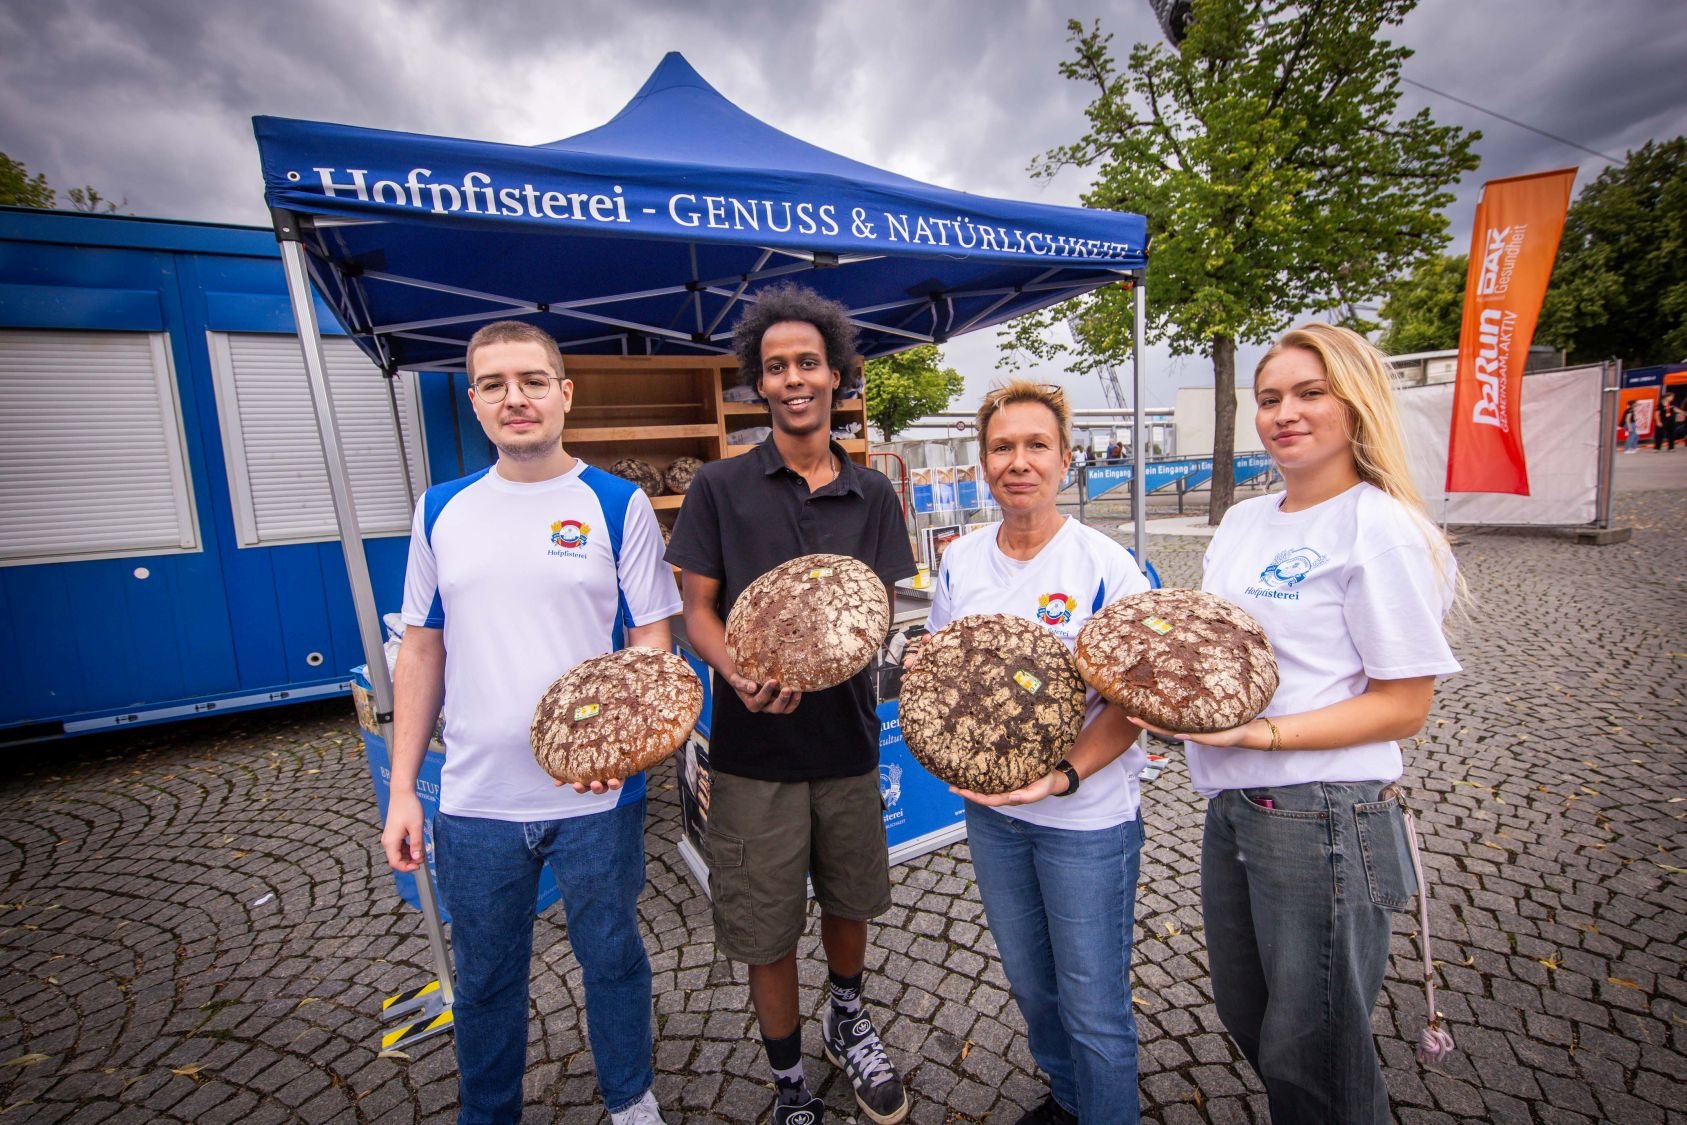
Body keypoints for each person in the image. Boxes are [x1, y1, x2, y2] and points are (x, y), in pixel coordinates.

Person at [1134, 323, 1461, 1123]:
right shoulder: (1246, 520)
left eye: (1309, 393)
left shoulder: (1374, 527)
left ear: (1353, 403)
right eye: (1270, 396)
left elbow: (1403, 704)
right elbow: (1220, 654)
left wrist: (1262, 734)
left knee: (1314, 1054)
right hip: (1232, 807)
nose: (1284, 412)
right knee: (1252, 1019)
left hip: (1325, 811)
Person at [381, 321, 678, 1125]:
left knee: (612, 956)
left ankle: (629, 1097)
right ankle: (489, 1110)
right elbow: (420, 651)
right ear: (474, 401)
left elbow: (651, 641)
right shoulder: (441, 509)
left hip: (596, 796)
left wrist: (629, 746)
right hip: (475, 799)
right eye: (494, 384)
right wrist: (403, 788)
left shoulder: (616, 504)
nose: (515, 398)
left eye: (532, 380)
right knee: (483, 975)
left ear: (563, 393)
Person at [666, 283, 918, 1125]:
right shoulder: (719, 486)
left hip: (847, 741)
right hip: (751, 751)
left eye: (807, 362)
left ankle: (848, 1017)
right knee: (766, 926)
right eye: (774, 368)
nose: (792, 379)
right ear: (757, 384)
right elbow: (695, 608)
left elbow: (873, 610)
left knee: (851, 899)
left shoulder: (873, 493)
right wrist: (733, 668)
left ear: (838, 375)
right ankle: (787, 1086)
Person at [910, 379, 1151, 1124]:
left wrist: (1063, 775)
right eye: (1002, 446)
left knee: (1092, 1001)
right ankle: (1068, 1097)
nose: (1019, 460)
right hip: (992, 815)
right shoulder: (961, 560)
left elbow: (1135, 703)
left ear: (1066, 458)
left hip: (1086, 819)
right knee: (1032, 984)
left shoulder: (1106, 564)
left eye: (1035, 445)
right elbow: (946, 673)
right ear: (982, 462)